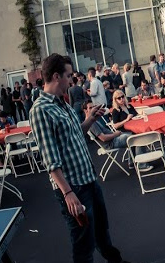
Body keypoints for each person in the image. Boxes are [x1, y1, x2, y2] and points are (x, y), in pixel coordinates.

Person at [30, 54, 130, 263]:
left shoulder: (63, 104)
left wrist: (90, 120)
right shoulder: (40, 110)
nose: (72, 80)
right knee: (83, 243)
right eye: (68, 76)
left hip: (88, 179)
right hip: (74, 187)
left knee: (101, 231)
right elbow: (50, 159)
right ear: (56, 76)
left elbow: (75, 133)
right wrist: (68, 193)